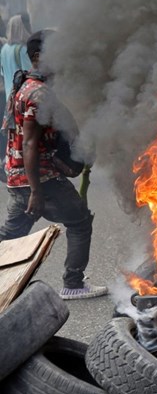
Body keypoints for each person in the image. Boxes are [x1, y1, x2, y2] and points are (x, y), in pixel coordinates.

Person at [0, 30, 105, 300]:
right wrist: (36, 190)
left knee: (11, 236)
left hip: (20, 176)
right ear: (38, 57)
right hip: (40, 180)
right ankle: (73, 283)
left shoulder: (22, 85)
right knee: (80, 221)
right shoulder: (39, 93)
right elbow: (30, 144)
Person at [1, 14, 32, 120]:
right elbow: (30, 73)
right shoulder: (22, 49)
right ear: (20, 28)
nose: (29, 27)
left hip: (9, 100)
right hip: (22, 99)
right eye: (26, 25)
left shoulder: (5, 48)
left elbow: (2, 72)